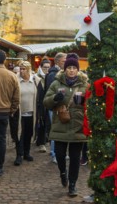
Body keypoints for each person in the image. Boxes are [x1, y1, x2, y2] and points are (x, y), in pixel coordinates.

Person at [43, 53, 88, 197]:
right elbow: (46, 101)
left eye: (74, 67)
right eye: (69, 67)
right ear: (65, 69)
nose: (72, 70)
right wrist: (55, 98)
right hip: (60, 125)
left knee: (75, 158)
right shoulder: (56, 83)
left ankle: (72, 185)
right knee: (60, 155)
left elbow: (91, 104)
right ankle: (63, 173)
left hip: (78, 126)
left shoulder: (84, 85)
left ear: (78, 70)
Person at [14, 61, 41, 166]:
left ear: (29, 69)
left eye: (24, 68)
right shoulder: (16, 80)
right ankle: (19, 155)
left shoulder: (35, 80)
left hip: (31, 112)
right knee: (19, 134)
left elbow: (39, 96)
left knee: (29, 133)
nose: (21, 71)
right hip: (19, 112)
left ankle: (27, 153)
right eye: (20, 68)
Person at [44, 52, 67, 163]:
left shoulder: (63, 73)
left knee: (62, 129)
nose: (65, 63)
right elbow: (49, 93)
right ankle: (54, 153)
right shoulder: (53, 74)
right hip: (54, 107)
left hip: (61, 106)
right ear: (57, 61)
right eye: (64, 61)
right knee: (55, 129)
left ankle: (60, 153)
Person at [35, 59, 50, 153]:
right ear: (41, 67)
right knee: (40, 122)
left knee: (45, 122)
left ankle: (42, 142)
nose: (47, 69)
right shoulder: (37, 77)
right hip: (39, 103)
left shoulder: (50, 76)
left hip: (48, 103)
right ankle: (40, 141)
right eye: (45, 67)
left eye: (48, 67)